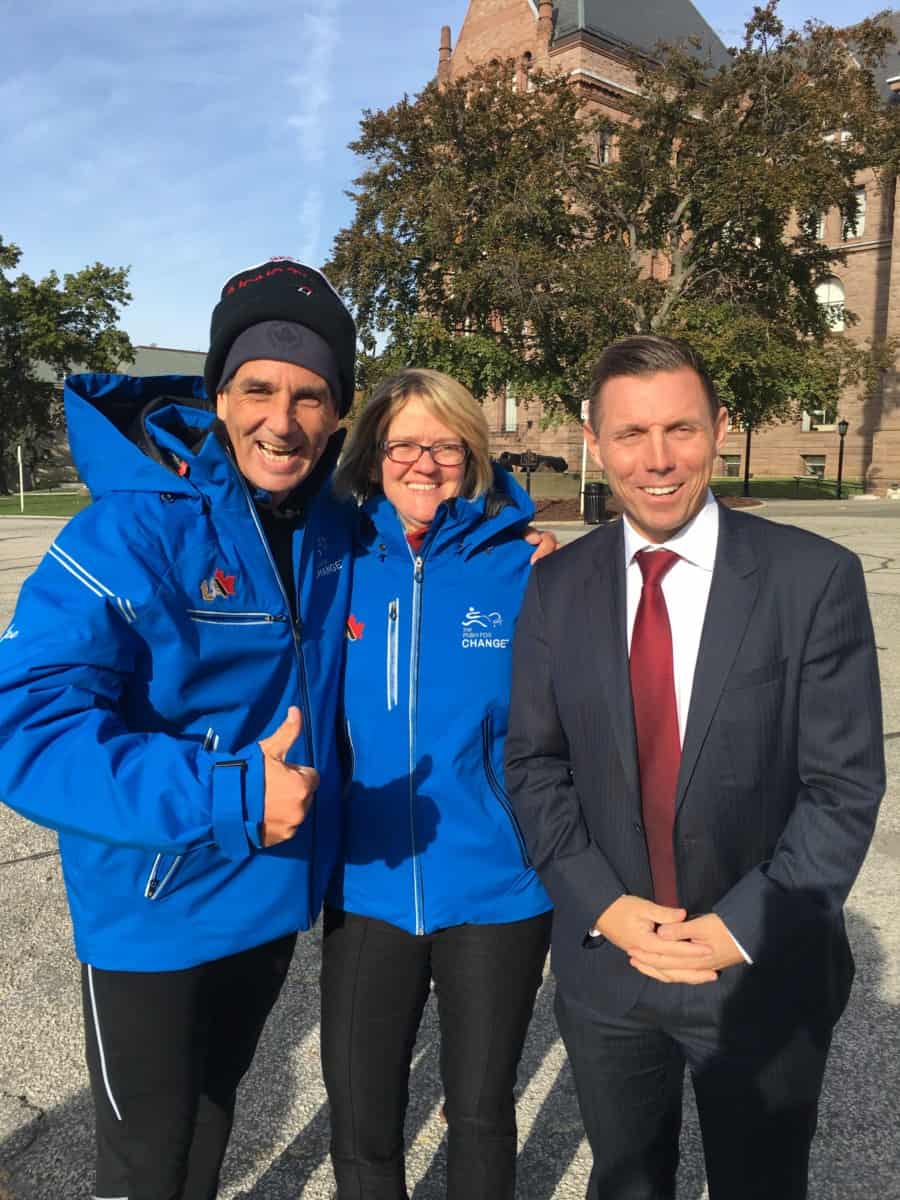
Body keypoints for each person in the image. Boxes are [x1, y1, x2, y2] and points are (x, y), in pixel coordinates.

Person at [0, 257, 358, 1200]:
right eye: (258, 389)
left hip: (270, 895)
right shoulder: (128, 530)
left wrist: (512, 546)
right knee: (144, 1163)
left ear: (338, 413)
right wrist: (228, 794)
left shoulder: (334, 527)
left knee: (211, 1117)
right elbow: (27, 727)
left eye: (310, 395)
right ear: (217, 396)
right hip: (154, 906)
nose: (282, 420)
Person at [505, 335, 885, 1200]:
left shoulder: (811, 578)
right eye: (631, 433)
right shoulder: (555, 588)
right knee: (627, 1181)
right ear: (595, 442)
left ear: (719, 427)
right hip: (611, 967)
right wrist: (606, 907)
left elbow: (843, 786)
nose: (658, 459)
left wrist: (736, 928)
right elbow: (534, 764)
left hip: (758, 966)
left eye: (680, 428)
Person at [321, 368, 553, 1200]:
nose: (424, 462)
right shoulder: (331, 559)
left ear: (474, 454)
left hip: (498, 886)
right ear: (371, 455)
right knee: (362, 1122)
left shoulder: (526, 568)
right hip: (367, 883)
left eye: (446, 445)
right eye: (403, 444)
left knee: (481, 1113)